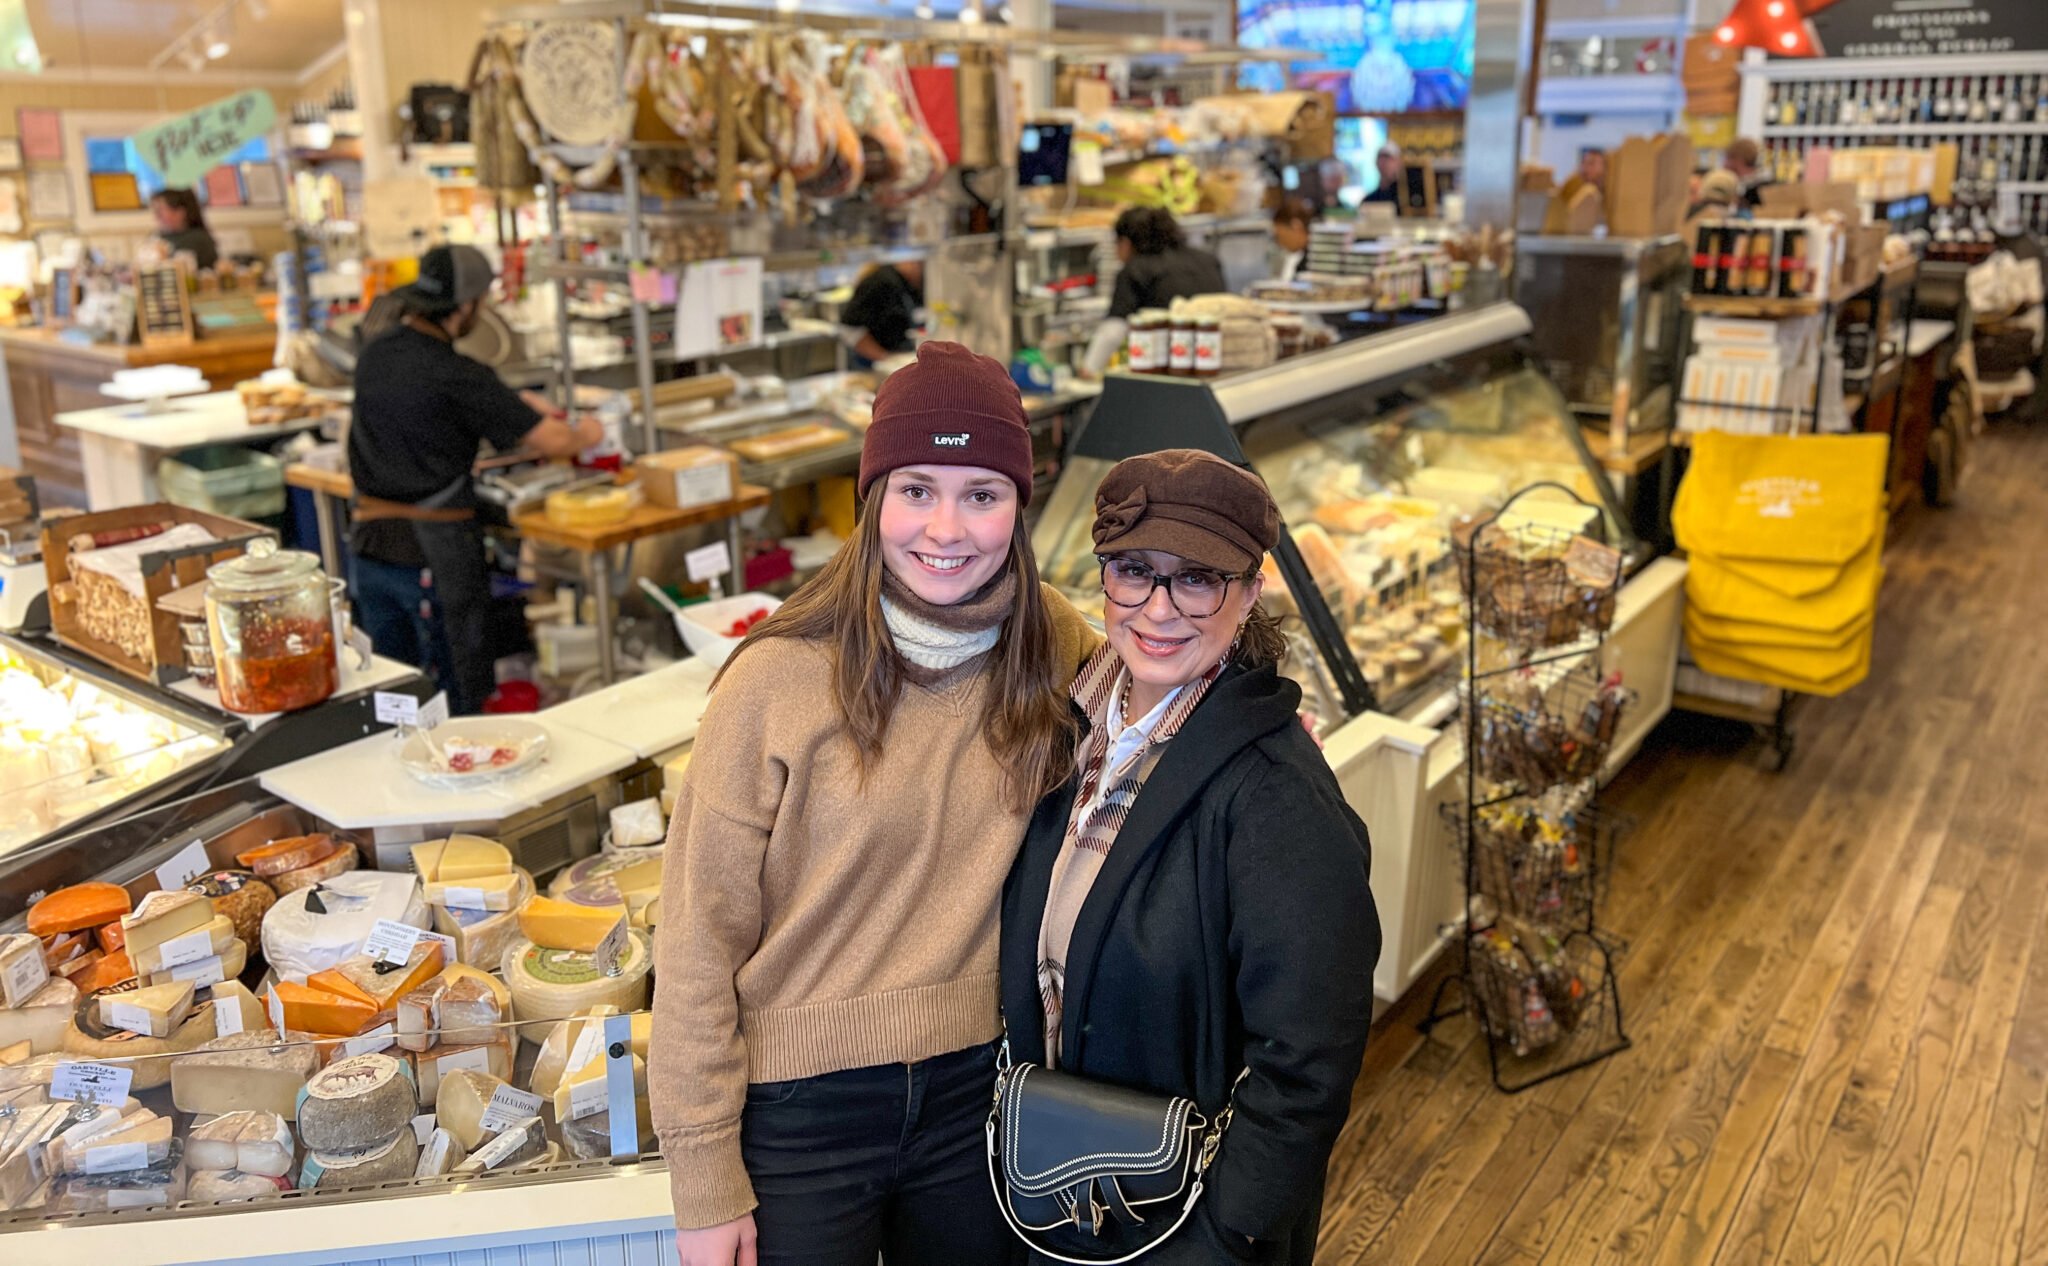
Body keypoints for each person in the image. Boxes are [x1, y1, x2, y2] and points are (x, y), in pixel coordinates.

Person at [651, 341, 1100, 1266]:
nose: (947, 527)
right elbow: (696, 939)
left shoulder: (1048, 640)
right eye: (916, 490)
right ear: (873, 500)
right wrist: (702, 1180)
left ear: (1018, 507)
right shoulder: (777, 680)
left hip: (979, 1093)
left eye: (981, 493)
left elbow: (1163, 686)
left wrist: (1250, 717)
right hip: (798, 1115)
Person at [999, 448, 1379, 1265]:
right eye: (1134, 571)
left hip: (1181, 1228)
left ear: (1249, 594)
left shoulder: (1275, 794)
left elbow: (1308, 1061)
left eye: (1198, 578)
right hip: (1058, 1196)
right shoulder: (1075, 730)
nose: (1159, 608)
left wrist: (1227, 1234)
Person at [347, 244, 601, 715]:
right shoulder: (457, 373)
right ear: (465, 307)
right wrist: (590, 430)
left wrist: (514, 401)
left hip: (370, 551)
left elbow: (431, 411)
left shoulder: (377, 351)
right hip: (431, 555)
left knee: (391, 696)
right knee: (453, 698)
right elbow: (554, 442)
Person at [1082, 208, 1227, 376]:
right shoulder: (1207, 260)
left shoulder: (1135, 270)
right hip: (1216, 364)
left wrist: (1089, 368)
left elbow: (1113, 330)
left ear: (1126, 242)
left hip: (1170, 372)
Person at [838, 259, 924, 365]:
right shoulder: (879, 282)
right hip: (872, 364)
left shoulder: (912, 285)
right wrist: (887, 359)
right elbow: (848, 329)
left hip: (903, 359)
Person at [149, 189, 218, 271]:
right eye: (155, 210)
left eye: (161, 209)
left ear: (181, 211)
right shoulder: (155, 237)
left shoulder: (198, 239)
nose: (157, 215)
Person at [1271, 198, 1314, 284]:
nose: (1278, 243)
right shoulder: (1305, 259)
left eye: (1278, 236)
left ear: (1296, 226)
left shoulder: (1314, 262)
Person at [1725, 137, 1768, 208]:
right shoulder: (1766, 183)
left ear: (1738, 159)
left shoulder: (1754, 191)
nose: (1725, 164)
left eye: (1728, 158)